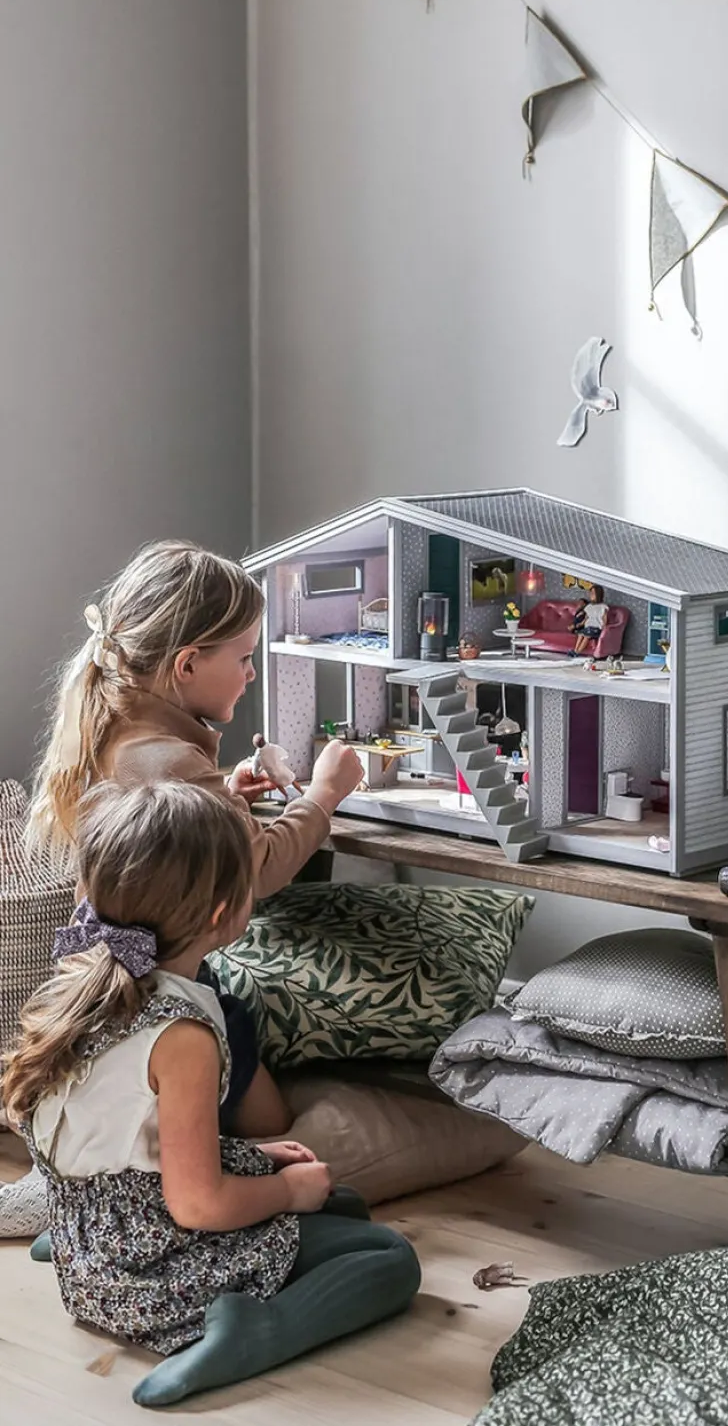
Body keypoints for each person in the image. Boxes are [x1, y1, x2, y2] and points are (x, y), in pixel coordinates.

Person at [2, 783, 420, 1410]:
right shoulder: (181, 1036)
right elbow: (197, 1204)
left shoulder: (86, 981)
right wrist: (283, 1192)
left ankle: (69, 1241)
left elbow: (129, 1135)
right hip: (151, 1271)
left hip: (88, 1253)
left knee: (341, 1203)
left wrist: (254, 1161)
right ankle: (252, 1333)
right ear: (224, 912)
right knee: (388, 1257)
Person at [27, 540, 364, 1137]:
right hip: (166, 980)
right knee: (271, 1119)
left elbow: (156, 834)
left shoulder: (115, 727)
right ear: (186, 665)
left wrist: (225, 798)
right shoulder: (171, 761)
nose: (252, 673)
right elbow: (256, 869)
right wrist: (323, 796)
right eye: (244, 659)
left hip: (111, 967)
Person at [571, 582, 609, 655]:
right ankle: (575, 650)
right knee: (580, 634)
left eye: (593, 593)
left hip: (596, 628)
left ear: (598, 595)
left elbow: (604, 617)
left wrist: (604, 626)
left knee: (586, 636)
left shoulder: (603, 607)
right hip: (588, 627)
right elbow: (586, 617)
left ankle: (578, 652)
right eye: (590, 593)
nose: (591, 595)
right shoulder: (589, 606)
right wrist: (581, 623)